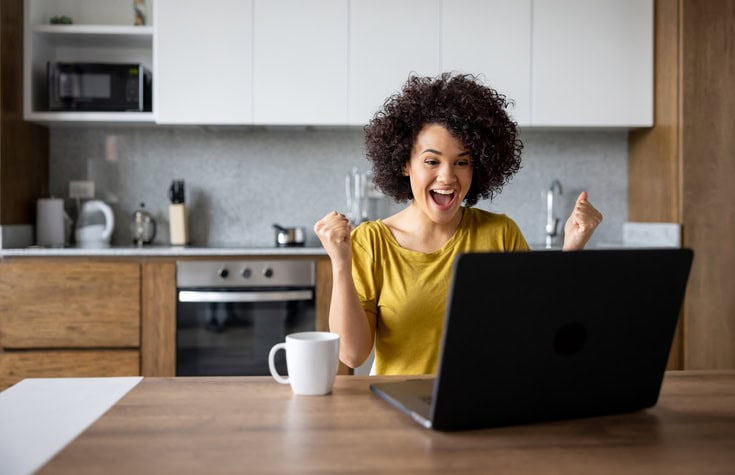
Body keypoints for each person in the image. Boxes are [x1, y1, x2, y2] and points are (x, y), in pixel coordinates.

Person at [314, 73, 603, 375]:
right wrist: (340, 262)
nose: (448, 177)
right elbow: (352, 354)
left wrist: (572, 248)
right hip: (400, 405)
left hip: (485, 403)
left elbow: (540, 332)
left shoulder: (501, 234)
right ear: (404, 163)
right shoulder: (372, 241)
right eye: (432, 161)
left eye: (461, 162)